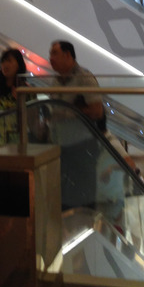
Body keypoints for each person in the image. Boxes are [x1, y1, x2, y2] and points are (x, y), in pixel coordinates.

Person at [48, 41, 103, 209]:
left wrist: (70, 112)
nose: (51, 58)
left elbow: (97, 111)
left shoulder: (84, 78)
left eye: (55, 53)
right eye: (51, 54)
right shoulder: (55, 81)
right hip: (61, 148)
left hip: (82, 147)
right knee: (64, 199)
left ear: (67, 55)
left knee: (84, 198)